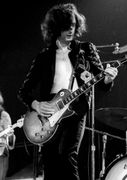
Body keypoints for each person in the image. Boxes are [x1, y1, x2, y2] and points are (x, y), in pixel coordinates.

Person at [17, 3, 118, 180]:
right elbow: (23, 91)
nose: (70, 30)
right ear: (56, 29)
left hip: (76, 109)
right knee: (50, 161)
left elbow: (100, 80)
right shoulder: (44, 56)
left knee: (67, 156)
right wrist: (37, 105)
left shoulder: (86, 49)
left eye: (72, 25)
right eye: (65, 27)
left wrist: (108, 78)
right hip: (48, 113)